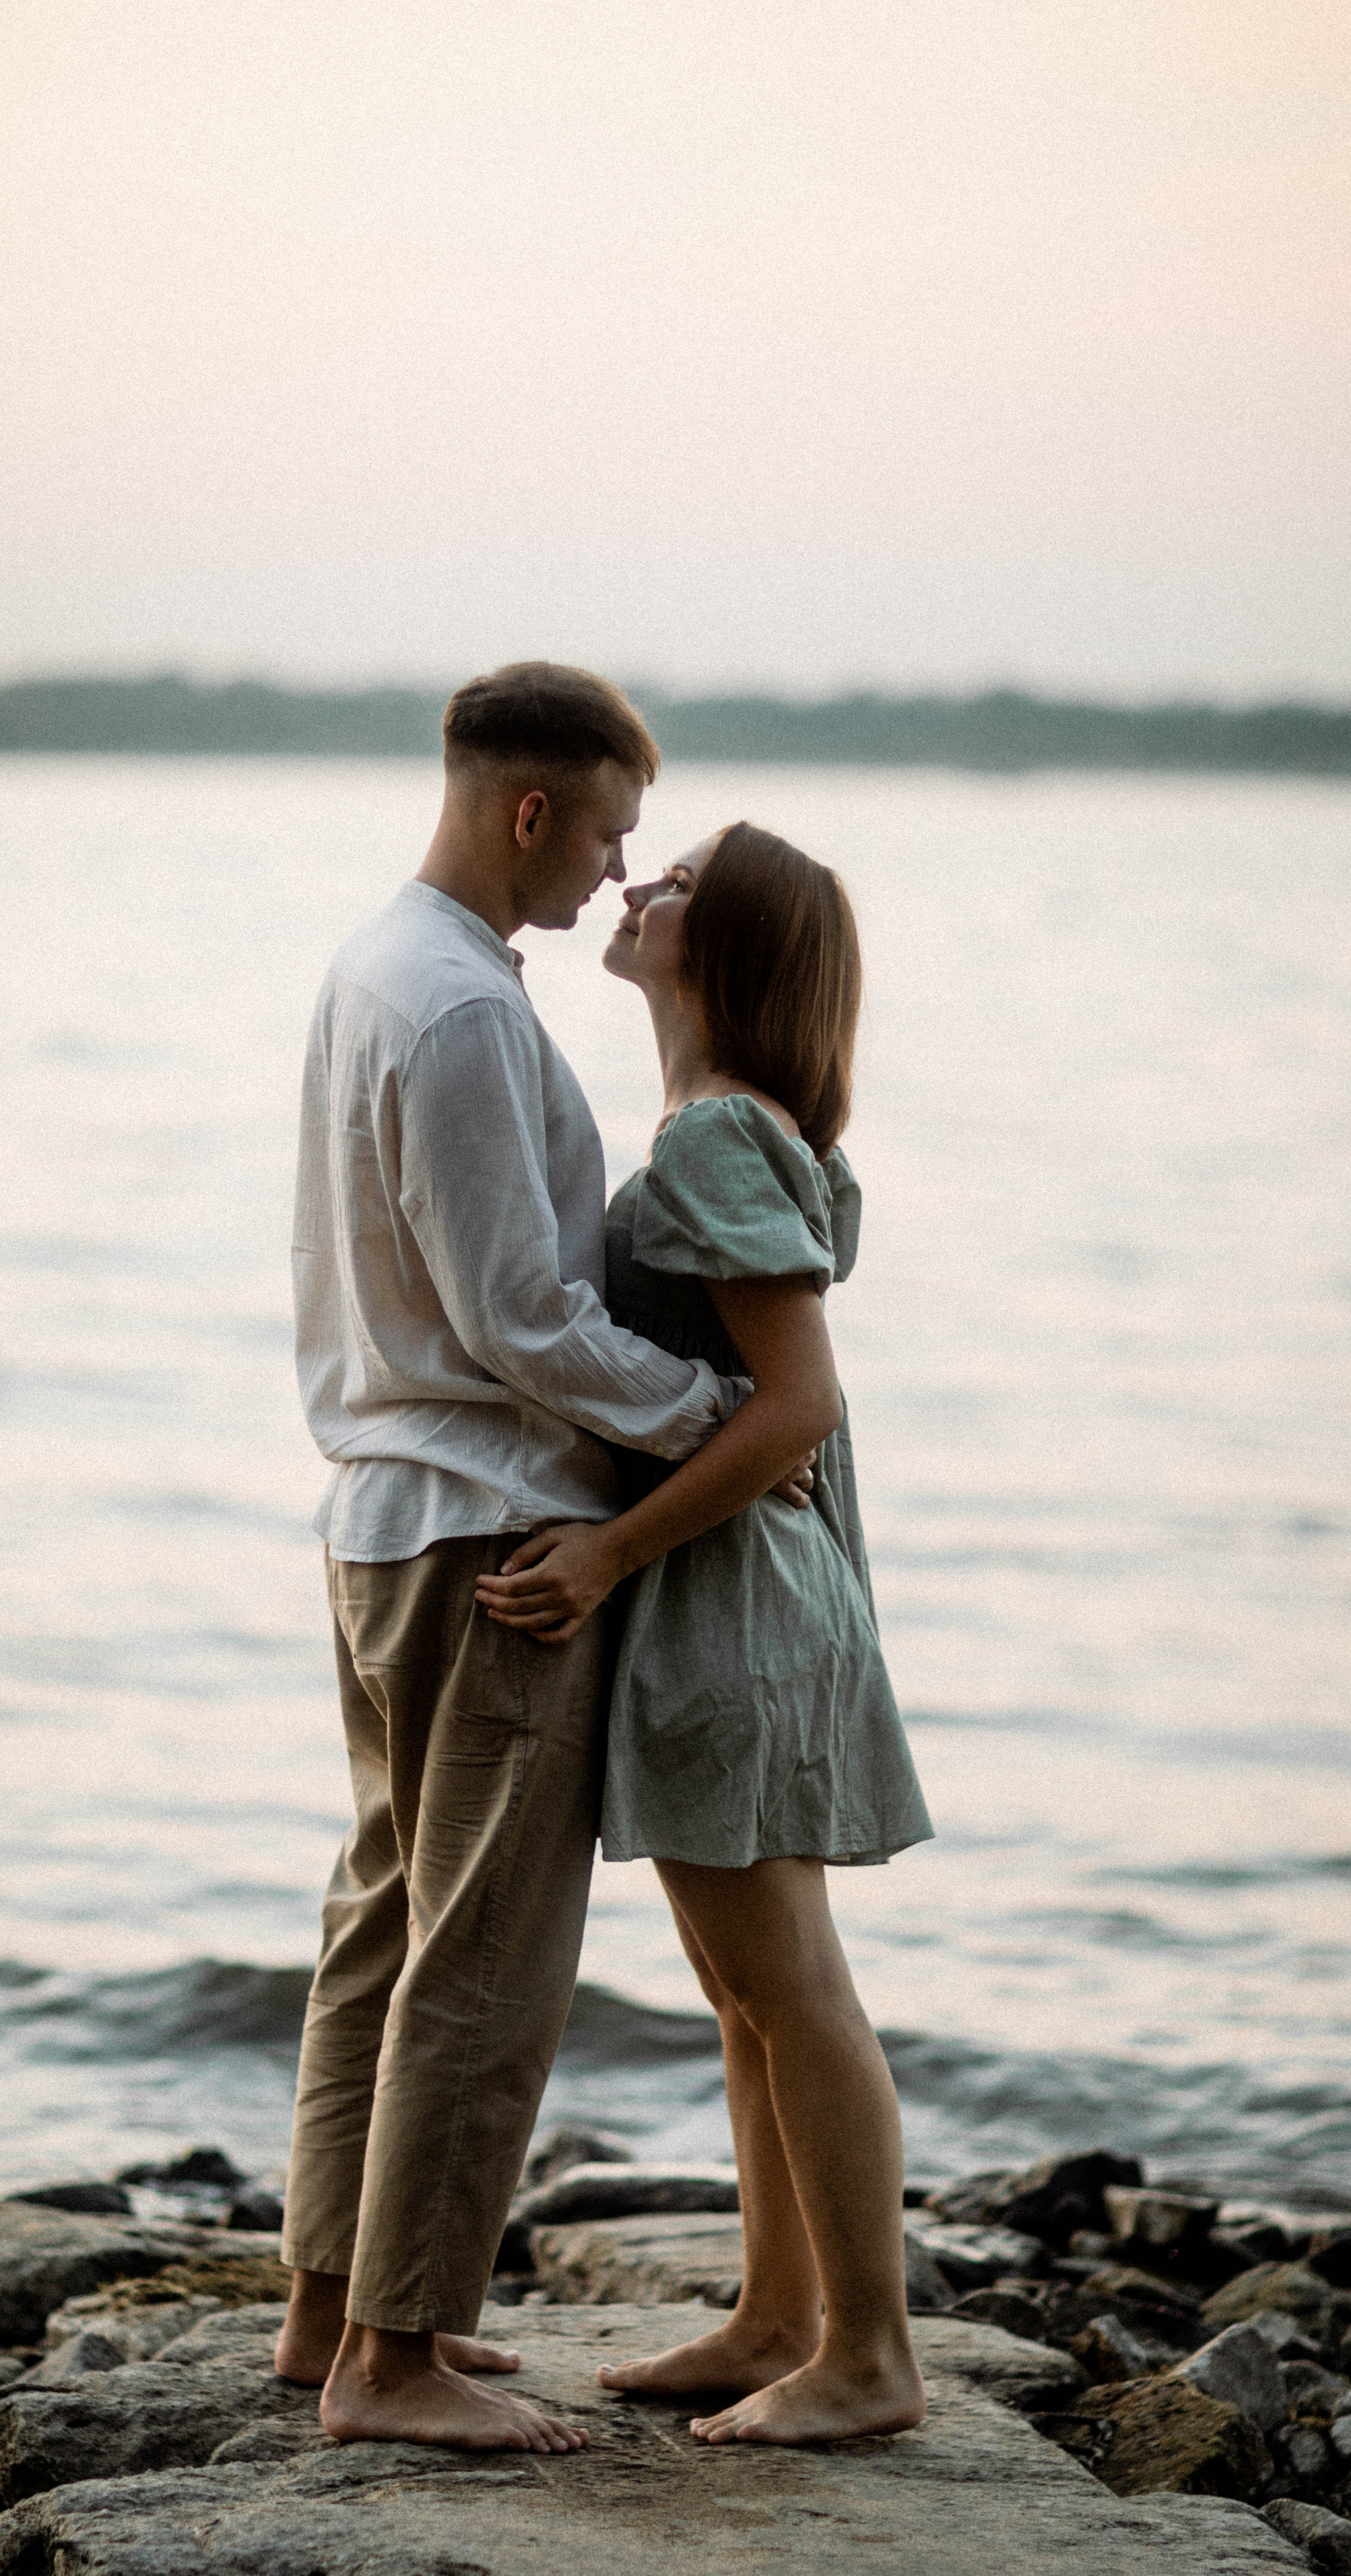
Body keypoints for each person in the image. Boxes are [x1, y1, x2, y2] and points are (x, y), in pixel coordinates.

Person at [277, 663, 781, 2454]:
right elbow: (517, 1317)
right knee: (482, 1954)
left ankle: (329, 2313)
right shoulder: (461, 1011)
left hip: (385, 1520)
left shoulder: (379, 966)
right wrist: (711, 1412)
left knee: (385, 1924)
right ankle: (392, 2362)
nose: (611, 870)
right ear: (527, 810)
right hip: (487, 1530)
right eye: (606, 832)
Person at [475, 821, 933, 2444]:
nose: (634, 887)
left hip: (730, 1594)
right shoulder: (723, 1124)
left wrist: (605, 1553)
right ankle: (776, 2316)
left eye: (676, 883)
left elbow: (798, 1405)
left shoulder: (721, 1133)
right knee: (745, 1989)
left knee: (788, 1985)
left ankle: (869, 2358)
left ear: (728, 944)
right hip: (736, 1588)